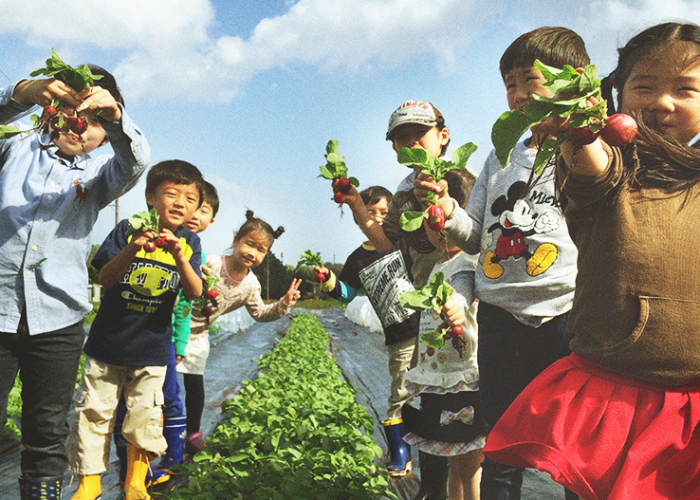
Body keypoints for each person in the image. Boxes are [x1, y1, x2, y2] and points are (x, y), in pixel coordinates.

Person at [482, 22, 700, 500]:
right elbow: (592, 171)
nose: (663, 103)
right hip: (616, 387)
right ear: (617, 95)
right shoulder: (616, 160)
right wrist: (576, 133)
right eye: (644, 86)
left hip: (689, 404)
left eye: (685, 89)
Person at [414, 27, 588, 500]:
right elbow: (475, 237)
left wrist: (580, 130)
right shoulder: (500, 155)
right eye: (509, 84)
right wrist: (448, 210)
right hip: (499, 315)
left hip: (564, 314)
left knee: (575, 444)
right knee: (501, 440)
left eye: (528, 80)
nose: (516, 93)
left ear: (571, 81)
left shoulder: (584, 148)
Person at [0, 65, 150, 500]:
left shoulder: (101, 178)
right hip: (0, 311)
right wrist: (22, 92)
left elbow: (135, 160)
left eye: (93, 120)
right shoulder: (12, 149)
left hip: (57, 321)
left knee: (47, 430)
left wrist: (116, 116)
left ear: (104, 135)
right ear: (51, 110)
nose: (79, 124)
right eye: (68, 107)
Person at [67, 160, 205, 500]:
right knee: (94, 414)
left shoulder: (189, 242)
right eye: (171, 194)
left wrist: (181, 258)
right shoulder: (127, 230)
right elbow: (105, 277)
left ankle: (134, 481)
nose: (180, 203)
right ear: (149, 198)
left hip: (153, 351)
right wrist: (133, 248)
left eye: (190, 199)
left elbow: (195, 291)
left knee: (144, 417)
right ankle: (89, 483)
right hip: (107, 346)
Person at [342, 99, 457, 499]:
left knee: (459, 404)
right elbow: (388, 245)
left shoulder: (458, 178)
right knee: (426, 402)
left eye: (418, 135)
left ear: (441, 137)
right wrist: (357, 205)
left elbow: (475, 238)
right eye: (400, 138)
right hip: (424, 310)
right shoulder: (404, 191)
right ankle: (433, 488)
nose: (409, 144)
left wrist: (441, 208)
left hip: (459, 307)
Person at [112, 180, 220, 486]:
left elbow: (187, 305)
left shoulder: (191, 254)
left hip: (165, 340)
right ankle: (133, 468)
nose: (193, 213)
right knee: (131, 401)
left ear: (210, 219)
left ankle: (172, 456)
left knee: (168, 397)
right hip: (136, 336)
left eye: (201, 208)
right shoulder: (145, 239)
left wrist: (181, 341)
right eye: (176, 197)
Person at [177, 209, 302, 453]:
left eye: (261, 250)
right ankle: (161, 425)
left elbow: (261, 314)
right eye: (249, 244)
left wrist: (285, 303)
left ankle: (193, 432)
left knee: (195, 384)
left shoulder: (250, 285)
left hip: (200, 332)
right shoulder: (211, 263)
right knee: (163, 380)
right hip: (174, 326)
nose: (252, 253)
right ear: (236, 242)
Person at [314, 185, 419, 477]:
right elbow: (347, 293)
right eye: (369, 213)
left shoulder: (401, 243)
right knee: (400, 390)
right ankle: (400, 450)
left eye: (383, 213)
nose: (376, 219)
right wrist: (327, 280)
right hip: (397, 333)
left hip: (425, 326)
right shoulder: (357, 259)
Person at [400, 168, 485, 500]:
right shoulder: (437, 269)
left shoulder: (472, 262)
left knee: (472, 466)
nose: (435, 224)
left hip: (466, 379)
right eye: (427, 216)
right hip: (438, 380)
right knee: (453, 463)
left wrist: (457, 308)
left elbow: (466, 303)